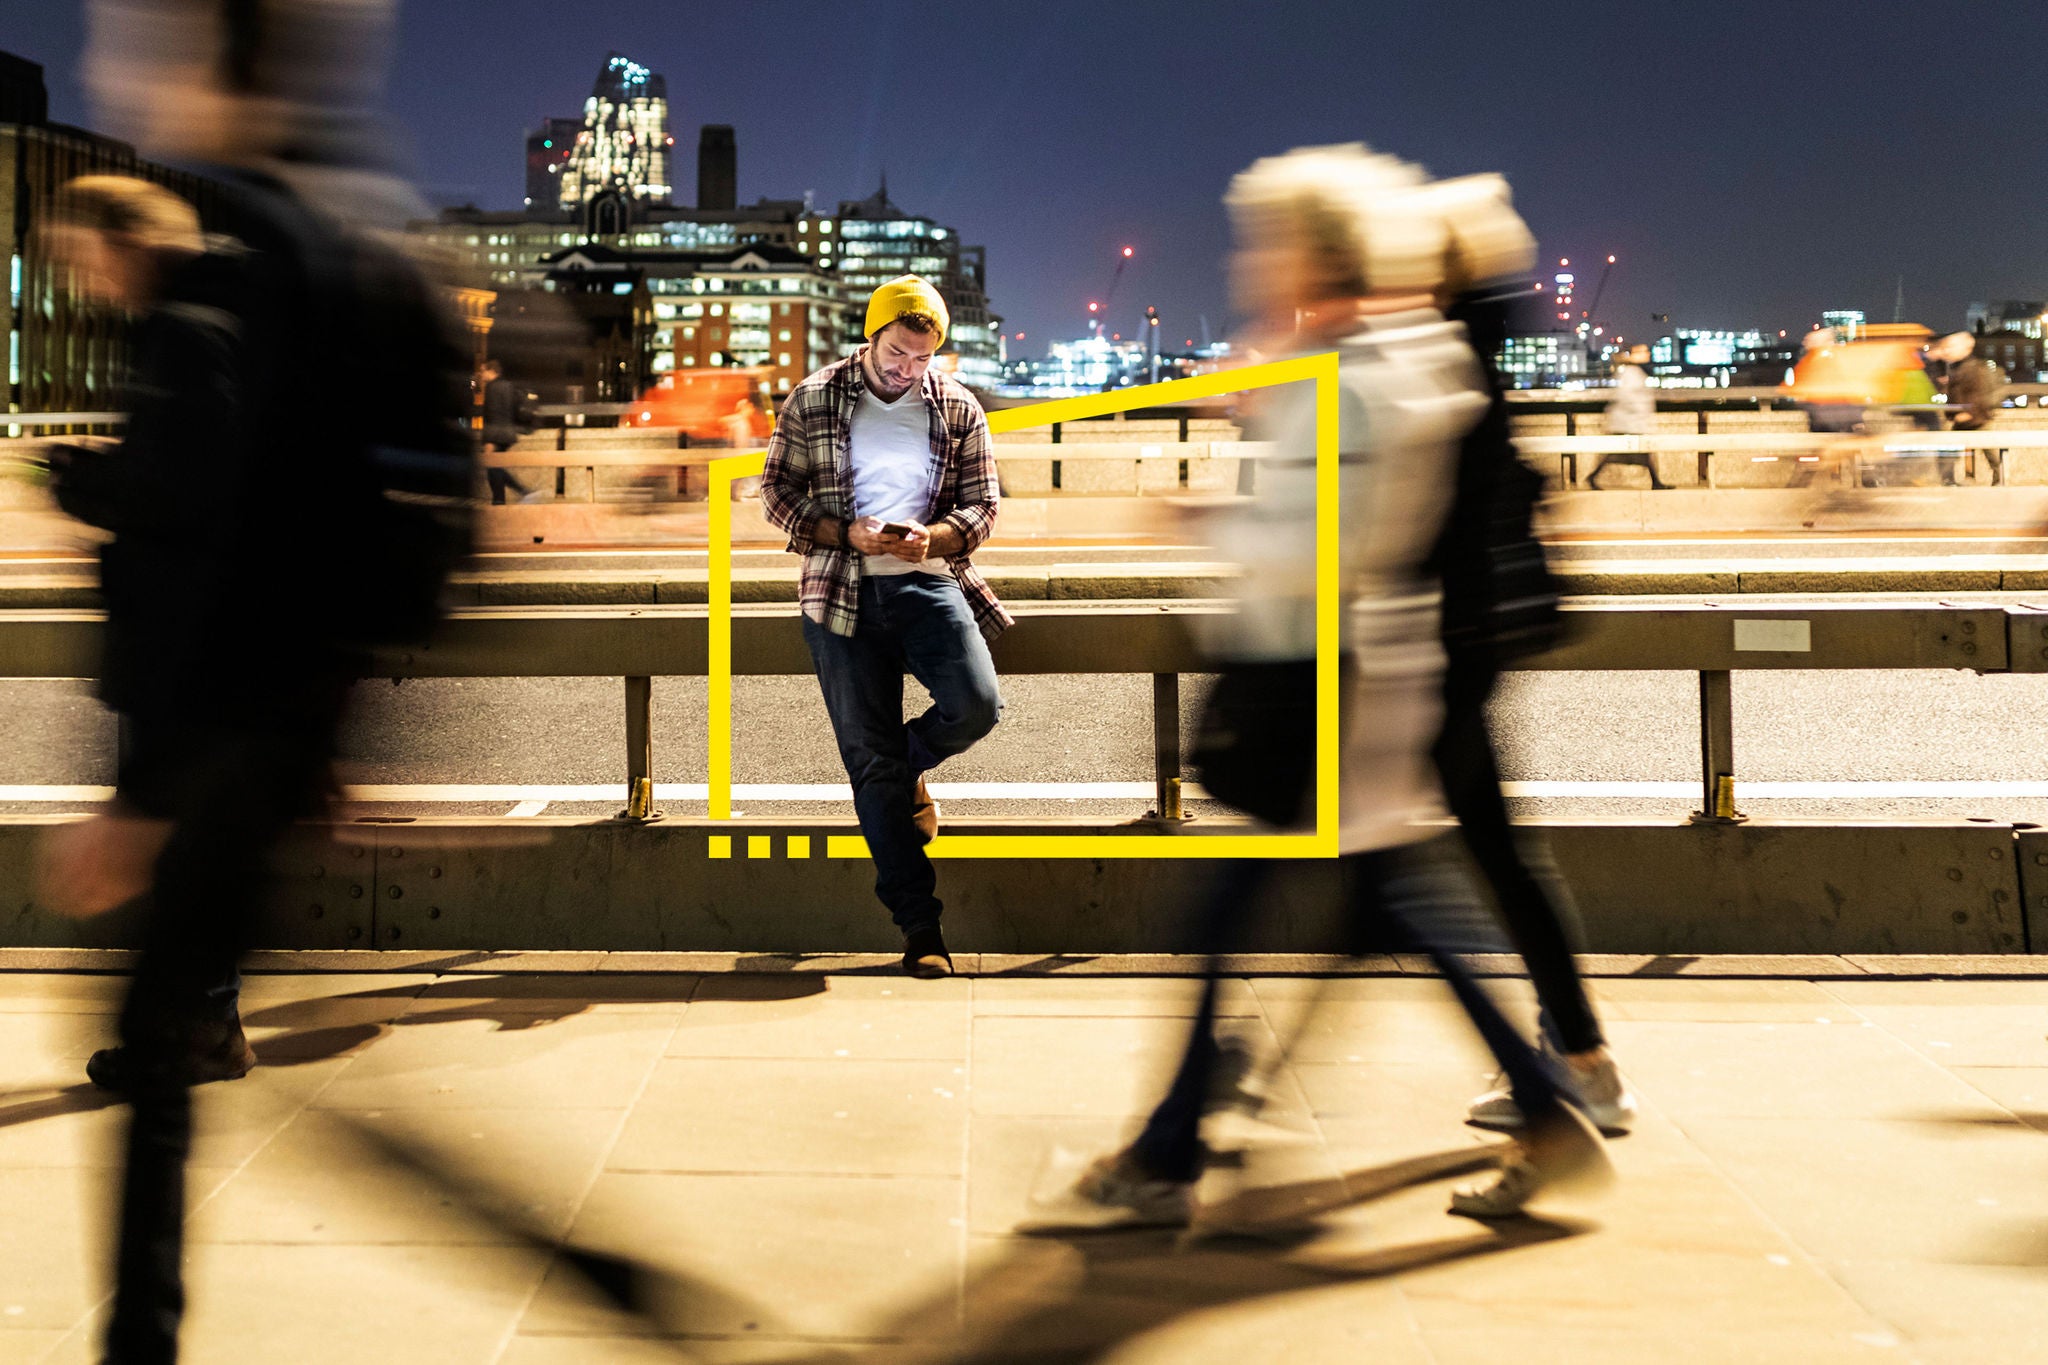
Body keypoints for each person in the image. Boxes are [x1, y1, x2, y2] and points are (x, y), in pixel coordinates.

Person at [1024, 146, 1613, 1232]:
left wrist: (1207, 519)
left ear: (1312, 255)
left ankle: (1166, 1152)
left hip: (1314, 682)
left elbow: (1322, 542)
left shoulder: (1354, 380)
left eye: (1268, 244)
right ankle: (1544, 1107)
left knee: (1227, 912)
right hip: (1360, 677)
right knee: (1389, 906)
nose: (1253, 263)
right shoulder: (1393, 361)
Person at [1428, 174, 1637, 1138]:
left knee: (1462, 864)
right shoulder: (1473, 341)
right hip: (1465, 636)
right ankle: (1572, 1058)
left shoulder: (1439, 353)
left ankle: (1571, 1068)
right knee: (1496, 855)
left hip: (1442, 640)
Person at [760, 276, 1007, 979]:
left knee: (976, 705)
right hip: (840, 591)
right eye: (898, 353)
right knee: (868, 760)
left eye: (922, 358)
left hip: (927, 583)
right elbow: (775, 493)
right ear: (870, 337)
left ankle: (905, 768)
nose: (907, 369)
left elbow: (984, 505)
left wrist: (934, 538)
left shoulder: (956, 406)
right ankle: (921, 929)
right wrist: (844, 532)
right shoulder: (815, 397)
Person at [1586, 344, 1670, 489]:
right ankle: (1656, 482)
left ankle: (1656, 482)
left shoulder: (1633, 371)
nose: (1647, 354)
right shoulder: (1632, 372)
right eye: (1643, 352)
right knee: (1627, 452)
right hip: (1628, 421)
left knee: (1633, 453)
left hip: (1628, 421)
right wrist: (1640, 410)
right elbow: (1626, 396)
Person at [1928, 331, 2005, 485]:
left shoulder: (1972, 368)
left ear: (1965, 348)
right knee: (1983, 452)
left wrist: (1968, 413)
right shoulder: (1958, 367)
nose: (1948, 350)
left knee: (1989, 453)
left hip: (1975, 419)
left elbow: (1979, 393)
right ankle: (1953, 480)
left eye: (1952, 347)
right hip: (1968, 418)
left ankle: (1997, 480)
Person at [479, 358, 534, 504]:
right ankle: (503, 499)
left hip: (495, 435)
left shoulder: (491, 388)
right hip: (508, 433)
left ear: (492, 371)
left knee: (493, 467)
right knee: (496, 466)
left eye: (483, 371)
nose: (481, 375)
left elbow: (492, 415)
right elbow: (514, 410)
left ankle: (515, 494)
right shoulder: (509, 386)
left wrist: (489, 440)